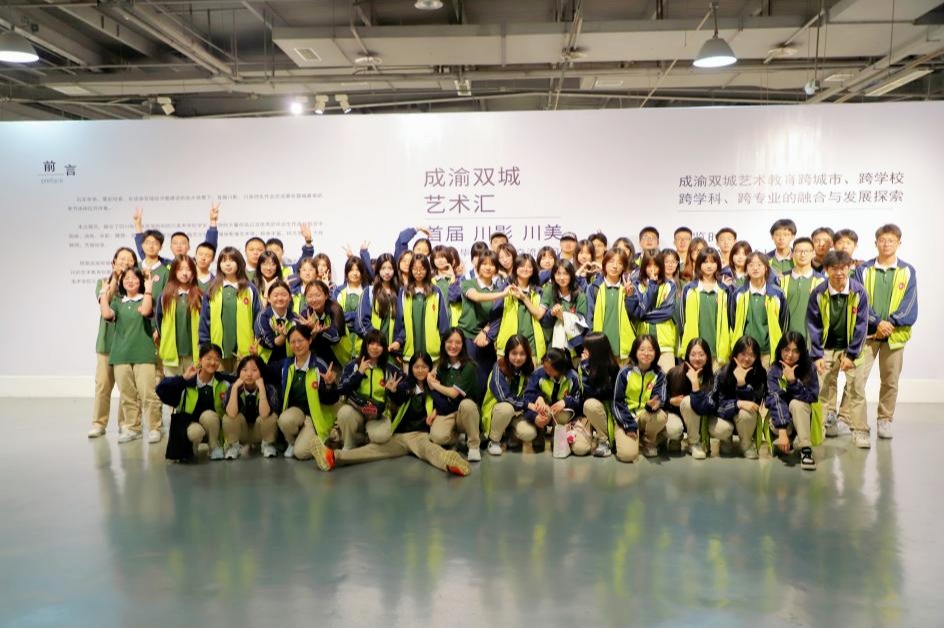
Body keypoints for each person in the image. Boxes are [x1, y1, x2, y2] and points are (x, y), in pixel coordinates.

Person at [308, 352, 471, 477]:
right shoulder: (406, 385)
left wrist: (435, 397)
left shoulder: (434, 388)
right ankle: (332, 457)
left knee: (431, 451)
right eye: (416, 367)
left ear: (430, 369)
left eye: (424, 367)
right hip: (398, 435)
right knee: (372, 450)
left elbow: (445, 404)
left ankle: (453, 464)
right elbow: (400, 395)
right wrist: (393, 391)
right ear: (411, 369)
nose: (420, 370)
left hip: (420, 435)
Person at [854, 224, 918, 440]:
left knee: (890, 381)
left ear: (899, 243)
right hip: (867, 334)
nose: (886, 244)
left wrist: (889, 323)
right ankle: (856, 423)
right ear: (876, 243)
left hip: (894, 335)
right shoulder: (863, 270)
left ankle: (885, 419)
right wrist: (876, 322)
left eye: (891, 240)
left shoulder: (907, 271)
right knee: (857, 380)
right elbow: (858, 301)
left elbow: (910, 305)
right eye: (882, 240)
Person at [808, 250, 870, 448]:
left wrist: (851, 355)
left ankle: (860, 431)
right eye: (834, 268)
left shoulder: (859, 292)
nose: (839, 272)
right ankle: (819, 428)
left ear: (850, 267)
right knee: (822, 389)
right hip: (825, 349)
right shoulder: (818, 293)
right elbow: (813, 326)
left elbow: (862, 326)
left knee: (856, 390)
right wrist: (817, 355)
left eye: (843, 268)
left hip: (851, 349)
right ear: (826, 269)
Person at [98, 263, 163, 444]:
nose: (130, 281)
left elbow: (146, 311)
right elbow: (106, 314)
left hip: (144, 354)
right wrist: (104, 292)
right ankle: (133, 427)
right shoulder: (118, 303)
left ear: (140, 281)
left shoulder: (147, 299)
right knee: (127, 395)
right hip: (121, 356)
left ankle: (155, 428)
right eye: (126, 278)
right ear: (121, 282)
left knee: (148, 394)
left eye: (134, 278)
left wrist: (148, 289)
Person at [88, 246, 138, 439]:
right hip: (107, 344)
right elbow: (106, 303)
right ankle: (98, 423)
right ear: (113, 262)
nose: (125, 262)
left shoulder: (136, 285)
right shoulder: (103, 282)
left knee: (127, 387)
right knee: (103, 385)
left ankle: (125, 423)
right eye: (121, 259)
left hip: (128, 344)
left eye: (130, 260)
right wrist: (115, 279)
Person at [156, 343, 232, 461]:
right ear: (200, 360)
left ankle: (214, 447)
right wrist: (183, 378)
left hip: (214, 427)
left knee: (209, 416)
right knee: (195, 433)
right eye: (208, 358)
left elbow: (244, 377)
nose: (213, 362)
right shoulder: (188, 382)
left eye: (217, 359)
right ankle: (190, 446)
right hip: (192, 425)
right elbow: (160, 389)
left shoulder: (223, 380)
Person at [276, 326, 340, 459]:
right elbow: (267, 371)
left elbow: (331, 400)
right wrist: (254, 357)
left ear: (309, 340)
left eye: (300, 340)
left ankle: (324, 438)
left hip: (315, 416)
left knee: (301, 453)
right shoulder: (287, 364)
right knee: (284, 420)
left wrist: (329, 385)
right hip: (298, 412)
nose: (296, 345)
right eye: (292, 342)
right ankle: (292, 442)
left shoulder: (319, 365)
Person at [198, 247, 261, 373]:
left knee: (243, 383)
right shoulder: (212, 289)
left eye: (232, 260)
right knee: (221, 383)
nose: (227, 264)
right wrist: (205, 347)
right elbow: (205, 321)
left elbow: (258, 318)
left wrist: (257, 345)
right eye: (224, 261)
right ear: (219, 264)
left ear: (239, 263)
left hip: (245, 351)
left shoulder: (249, 288)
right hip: (218, 352)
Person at [765, 332, 821, 470]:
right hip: (780, 421)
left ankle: (806, 450)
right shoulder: (773, 371)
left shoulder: (809, 368)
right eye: (786, 349)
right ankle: (786, 440)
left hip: (803, 420)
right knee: (780, 439)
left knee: (797, 404)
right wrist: (782, 430)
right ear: (780, 350)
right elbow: (774, 399)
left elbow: (812, 396)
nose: (790, 355)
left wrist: (793, 381)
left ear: (801, 353)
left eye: (796, 351)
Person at [336, 331, 400, 449]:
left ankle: (363, 438)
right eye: (372, 343)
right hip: (356, 411)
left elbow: (405, 386)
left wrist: (394, 391)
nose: (375, 347)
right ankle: (349, 443)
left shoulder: (389, 368)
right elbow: (341, 389)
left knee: (382, 437)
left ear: (384, 348)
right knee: (344, 413)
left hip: (377, 414)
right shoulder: (353, 365)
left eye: (379, 344)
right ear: (366, 345)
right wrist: (359, 373)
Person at [427, 328, 482, 462]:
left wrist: (432, 383)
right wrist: (436, 410)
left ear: (463, 345)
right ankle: (456, 439)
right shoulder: (441, 366)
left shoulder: (469, 366)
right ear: (444, 343)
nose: (453, 346)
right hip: (449, 411)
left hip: (467, 413)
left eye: (458, 342)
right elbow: (440, 395)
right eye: (450, 342)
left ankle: (474, 446)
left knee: (467, 404)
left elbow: (453, 393)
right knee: (436, 437)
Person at [708, 336, 766, 459]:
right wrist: (738, 404)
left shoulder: (760, 374)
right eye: (743, 354)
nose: (747, 358)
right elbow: (717, 407)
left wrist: (742, 385)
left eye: (751, 355)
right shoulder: (722, 373)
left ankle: (746, 444)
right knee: (722, 429)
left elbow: (755, 405)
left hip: (743, 420)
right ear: (735, 354)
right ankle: (725, 440)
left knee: (747, 414)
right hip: (723, 418)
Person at [612, 335, 668, 461]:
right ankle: (629, 436)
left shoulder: (659, 374)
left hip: (645, 415)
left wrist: (653, 405)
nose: (646, 353)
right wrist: (628, 424)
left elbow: (660, 398)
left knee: (661, 416)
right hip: (626, 417)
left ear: (656, 352)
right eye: (642, 349)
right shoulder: (624, 373)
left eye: (650, 349)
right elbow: (617, 403)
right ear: (635, 352)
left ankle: (648, 440)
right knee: (628, 456)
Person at [729, 252, 787, 368]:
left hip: (769, 352)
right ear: (746, 269)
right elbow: (733, 321)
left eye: (759, 265)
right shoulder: (738, 294)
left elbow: (783, 322)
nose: (755, 268)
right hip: (744, 352)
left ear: (766, 268)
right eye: (751, 265)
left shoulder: (777, 294)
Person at [520, 347, 581, 453]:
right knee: (540, 413)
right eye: (544, 367)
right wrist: (539, 399)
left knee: (561, 414)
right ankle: (539, 431)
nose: (546, 370)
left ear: (560, 369)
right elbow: (527, 397)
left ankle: (557, 436)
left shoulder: (573, 377)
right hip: (544, 410)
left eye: (550, 369)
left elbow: (579, 400)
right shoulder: (538, 374)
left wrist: (565, 401)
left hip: (561, 414)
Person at [481, 335, 534, 456]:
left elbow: (532, 392)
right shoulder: (499, 366)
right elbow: (503, 397)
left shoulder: (528, 369)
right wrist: (527, 404)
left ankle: (509, 436)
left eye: (522, 354)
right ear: (507, 353)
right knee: (507, 408)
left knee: (529, 433)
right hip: (496, 412)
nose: (518, 357)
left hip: (517, 412)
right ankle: (494, 440)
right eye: (514, 353)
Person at [457, 250, 503, 388]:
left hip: (486, 339)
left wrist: (487, 329)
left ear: (497, 268)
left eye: (492, 264)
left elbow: (497, 316)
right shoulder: (468, 283)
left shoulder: (498, 290)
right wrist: (502, 294)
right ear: (478, 266)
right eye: (484, 264)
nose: (488, 268)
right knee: (466, 378)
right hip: (466, 337)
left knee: (484, 379)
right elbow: (476, 297)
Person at [393, 253, 450, 365]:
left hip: (433, 354)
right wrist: (398, 347)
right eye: (415, 269)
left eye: (422, 269)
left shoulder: (436, 291)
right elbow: (399, 322)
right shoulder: (404, 292)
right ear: (410, 270)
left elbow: (443, 323)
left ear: (428, 270)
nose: (418, 272)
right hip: (409, 353)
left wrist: (445, 348)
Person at [679, 248, 732, 368]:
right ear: (699, 264)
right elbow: (682, 319)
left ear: (718, 264)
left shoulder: (724, 290)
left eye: (712, 262)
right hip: (694, 351)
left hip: (718, 350)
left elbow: (730, 319)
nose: (709, 266)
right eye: (705, 262)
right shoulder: (689, 288)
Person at [665, 338, 716, 460]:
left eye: (701, 355)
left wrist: (695, 385)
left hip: (698, 420)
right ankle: (677, 438)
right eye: (693, 354)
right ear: (687, 356)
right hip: (675, 414)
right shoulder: (674, 373)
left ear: (707, 357)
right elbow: (662, 399)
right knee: (673, 430)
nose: (697, 358)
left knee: (689, 401)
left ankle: (693, 443)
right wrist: (671, 401)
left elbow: (707, 407)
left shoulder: (711, 378)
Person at [491, 253, 548, 360]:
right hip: (507, 344)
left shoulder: (539, 291)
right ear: (515, 268)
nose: (525, 269)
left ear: (533, 269)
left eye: (529, 266)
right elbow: (495, 313)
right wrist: (490, 334)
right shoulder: (506, 288)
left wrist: (523, 297)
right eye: (522, 266)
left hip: (532, 344)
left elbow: (539, 315)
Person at [222, 354, 279, 459]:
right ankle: (234, 446)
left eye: (254, 370)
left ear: (261, 372)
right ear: (239, 372)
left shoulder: (269, 388)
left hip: (259, 433)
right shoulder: (233, 388)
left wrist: (261, 388)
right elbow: (231, 413)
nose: (249, 374)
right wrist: (234, 388)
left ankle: (267, 445)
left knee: (271, 417)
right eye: (244, 370)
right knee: (228, 418)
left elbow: (265, 414)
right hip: (242, 433)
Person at [573, 332, 621, 457]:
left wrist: (586, 366)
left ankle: (604, 440)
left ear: (597, 351)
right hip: (588, 414)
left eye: (586, 348)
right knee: (579, 449)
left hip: (607, 412)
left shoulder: (613, 367)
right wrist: (585, 366)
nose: (583, 351)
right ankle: (596, 436)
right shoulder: (583, 366)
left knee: (591, 404)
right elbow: (584, 393)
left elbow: (600, 394)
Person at [154, 255, 202, 376]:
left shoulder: (200, 296)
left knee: (193, 387)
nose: (184, 273)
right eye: (180, 269)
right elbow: (159, 323)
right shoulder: (164, 297)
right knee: (173, 387)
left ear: (193, 272)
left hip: (194, 356)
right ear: (174, 271)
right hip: (171, 356)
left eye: (188, 269)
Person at [586, 248, 636, 363]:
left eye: (620, 263)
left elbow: (635, 315)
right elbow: (589, 318)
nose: (615, 266)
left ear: (624, 267)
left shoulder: (629, 288)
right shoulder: (594, 288)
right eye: (611, 262)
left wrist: (630, 297)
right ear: (604, 264)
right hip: (599, 348)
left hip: (624, 350)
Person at [631, 251, 678, 373]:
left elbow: (668, 312)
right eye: (649, 265)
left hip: (665, 343)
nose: (652, 269)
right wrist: (652, 284)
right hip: (642, 343)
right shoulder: (636, 286)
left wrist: (644, 315)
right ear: (643, 267)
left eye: (656, 265)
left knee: (668, 378)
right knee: (644, 380)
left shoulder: (670, 285)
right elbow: (636, 313)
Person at [540, 259, 588, 352]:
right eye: (558, 274)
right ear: (553, 275)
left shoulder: (580, 295)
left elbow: (582, 323)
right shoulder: (549, 290)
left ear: (571, 275)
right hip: (553, 346)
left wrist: (564, 316)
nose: (562, 278)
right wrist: (551, 314)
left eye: (566, 274)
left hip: (576, 346)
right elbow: (544, 323)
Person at [780, 237, 824, 338]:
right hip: (786, 337)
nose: (803, 254)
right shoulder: (781, 279)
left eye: (807, 251)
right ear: (792, 254)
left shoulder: (822, 281)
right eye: (799, 251)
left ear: (813, 253)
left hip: (813, 338)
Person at [296, 280, 347, 367]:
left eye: (318, 295)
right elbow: (302, 341)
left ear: (326, 295)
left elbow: (336, 338)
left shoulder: (335, 309)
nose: (314, 299)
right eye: (310, 296)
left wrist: (320, 330)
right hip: (316, 359)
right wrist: (313, 334)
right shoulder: (305, 313)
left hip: (339, 357)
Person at [357, 253, 401, 351]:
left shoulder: (400, 293)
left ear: (395, 270)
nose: (387, 272)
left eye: (390, 268)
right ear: (378, 270)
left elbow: (404, 323)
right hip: (373, 347)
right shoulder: (369, 291)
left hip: (393, 349)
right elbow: (361, 322)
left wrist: (398, 341)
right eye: (383, 268)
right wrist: (376, 341)